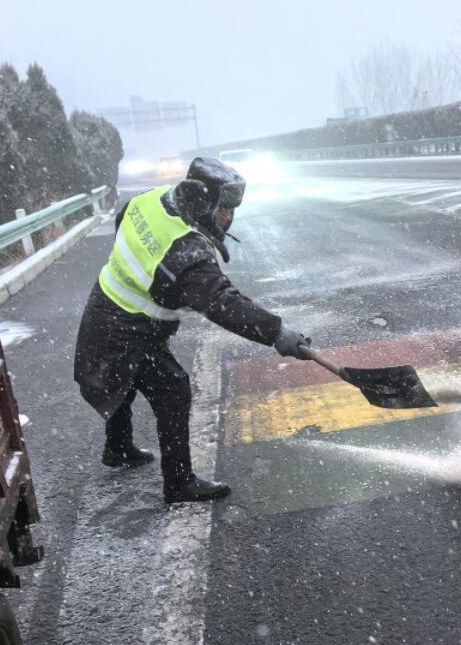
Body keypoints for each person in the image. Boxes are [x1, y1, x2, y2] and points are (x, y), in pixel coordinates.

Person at [74, 157, 310, 504]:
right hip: (127, 327)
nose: (228, 217)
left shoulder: (151, 199)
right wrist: (277, 332)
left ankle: (118, 448)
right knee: (172, 390)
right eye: (224, 209)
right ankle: (179, 482)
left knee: (118, 379)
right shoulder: (186, 253)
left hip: (105, 304)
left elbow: (124, 220)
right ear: (204, 202)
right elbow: (223, 304)